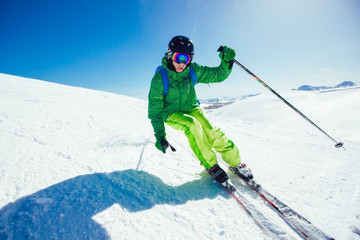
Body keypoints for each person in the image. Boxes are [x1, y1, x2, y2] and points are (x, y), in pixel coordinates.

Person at [148, 35, 253, 184]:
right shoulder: (160, 78)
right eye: (178, 57)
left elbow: (218, 74)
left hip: (192, 107)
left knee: (210, 130)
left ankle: (235, 162)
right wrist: (160, 136)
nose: (182, 63)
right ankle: (211, 165)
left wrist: (226, 62)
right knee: (192, 125)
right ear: (170, 55)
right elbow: (155, 111)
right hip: (170, 113)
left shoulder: (192, 71)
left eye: (186, 58)